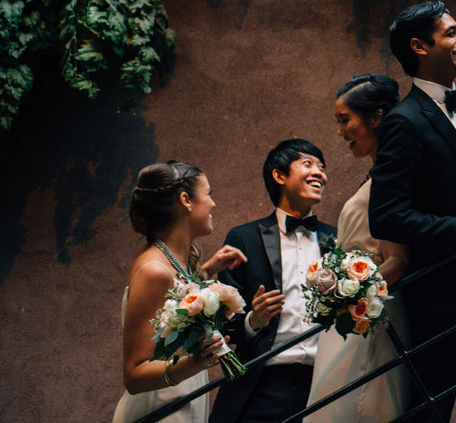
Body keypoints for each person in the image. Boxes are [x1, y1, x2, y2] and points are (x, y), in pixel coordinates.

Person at [369, 1, 456, 422]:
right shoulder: (404, 121)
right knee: (433, 402)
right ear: (419, 45)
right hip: (440, 290)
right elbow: (388, 215)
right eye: (451, 33)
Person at [306, 75, 411, 422]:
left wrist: (351, 295)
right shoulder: (376, 174)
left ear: (377, 117)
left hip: (369, 316)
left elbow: (397, 260)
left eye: (344, 120)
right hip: (353, 316)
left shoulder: (389, 178)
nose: (340, 132)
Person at [114, 161, 247, 423]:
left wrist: (207, 272)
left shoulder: (173, 261)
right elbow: (134, 375)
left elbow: (174, 303)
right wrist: (198, 361)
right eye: (208, 193)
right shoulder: (154, 271)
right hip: (159, 411)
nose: (213, 204)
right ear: (186, 200)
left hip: (184, 403)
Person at [212, 140, 335, 423]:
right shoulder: (243, 239)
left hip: (326, 383)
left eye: (322, 167)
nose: (319, 173)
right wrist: (254, 320)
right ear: (279, 176)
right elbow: (224, 325)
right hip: (263, 384)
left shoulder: (338, 240)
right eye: (308, 164)